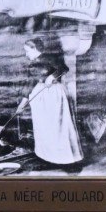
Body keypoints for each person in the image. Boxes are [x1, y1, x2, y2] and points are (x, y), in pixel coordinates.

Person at [17, 37, 83, 166]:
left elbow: (64, 68)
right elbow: (28, 85)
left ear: (34, 49)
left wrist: (52, 77)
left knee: (58, 127)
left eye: (27, 51)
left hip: (54, 97)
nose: (26, 54)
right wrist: (22, 105)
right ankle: (48, 157)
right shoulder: (32, 65)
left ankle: (66, 159)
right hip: (40, 101)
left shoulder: (50, 58)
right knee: (44, 128)